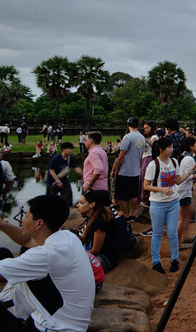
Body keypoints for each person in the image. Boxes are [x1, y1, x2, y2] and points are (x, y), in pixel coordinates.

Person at [0, 194, 95, 331]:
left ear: (39, 223)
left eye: (26, 216)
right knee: (9, 260)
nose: (22, 220)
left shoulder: (46, 255)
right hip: (72, 320)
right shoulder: (67, 237)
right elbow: (26, 241)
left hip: (56, 327)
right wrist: (2, 224)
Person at [143, 137, 193, 274]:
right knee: (157, 234)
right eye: (169, 147)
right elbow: (146, 186)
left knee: (172, 232)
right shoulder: (153, 165)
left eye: (172, 147)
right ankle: (156, 262)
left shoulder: (174, 162)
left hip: (173, 202)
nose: (172, 149)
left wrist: (190, 173)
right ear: (161, 149)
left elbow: (177, 181)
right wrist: (162, 189)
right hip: (158, 204)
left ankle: (175, 259)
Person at [111, 117, 145, 221]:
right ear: (138, 125)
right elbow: (141, 155)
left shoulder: (128, 137)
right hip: (135, 170)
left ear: (128, 125)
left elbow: (121, 155)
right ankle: (132, 213)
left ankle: (125, 214)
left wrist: (117, 169)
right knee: (133, 193)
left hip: (125, 171)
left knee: (121, 195)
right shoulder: (142, 138)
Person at [75, 190, 118, 272]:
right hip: (96, 255)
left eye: (81, 203)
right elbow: (83, 239)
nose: (77, 205)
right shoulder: (91, 218)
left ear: (92, 204)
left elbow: (95, 251)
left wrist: (76, 255)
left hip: (105, 259)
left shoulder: (99, 221)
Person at [177, 137, 196, 246]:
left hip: (183, 190)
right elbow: (188, 177)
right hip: (184, 190)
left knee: (189, 212)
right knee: (182, 218)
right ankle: (177, 243)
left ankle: (185, 236)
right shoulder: (190, 159)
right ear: (191, 146)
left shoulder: (185, 156)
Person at [45, 142, 81, 206]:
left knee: (68, 195)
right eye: (69, 149)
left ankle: (68, 210)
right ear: (63, 149)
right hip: (53, 180)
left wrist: (83, 174)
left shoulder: (71, 158)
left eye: (71, 149)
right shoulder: (56, 159)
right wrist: (58, 181)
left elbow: (75, 168)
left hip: (63, 179)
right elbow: (51, 171)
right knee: (50, 198)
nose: (71, 150)